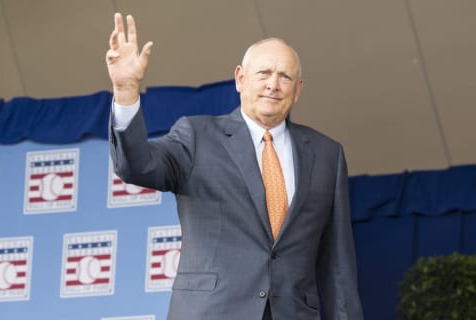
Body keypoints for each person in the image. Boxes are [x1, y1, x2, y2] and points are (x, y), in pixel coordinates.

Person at [106, 12, 363, 320]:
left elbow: (338, 265)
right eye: (264, 73)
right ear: (240, 78)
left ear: (298, 90)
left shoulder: (326, 155)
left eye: (285, 77)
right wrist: (126, 92)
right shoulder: (196, 136)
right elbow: (138, 167)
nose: (273, 85)